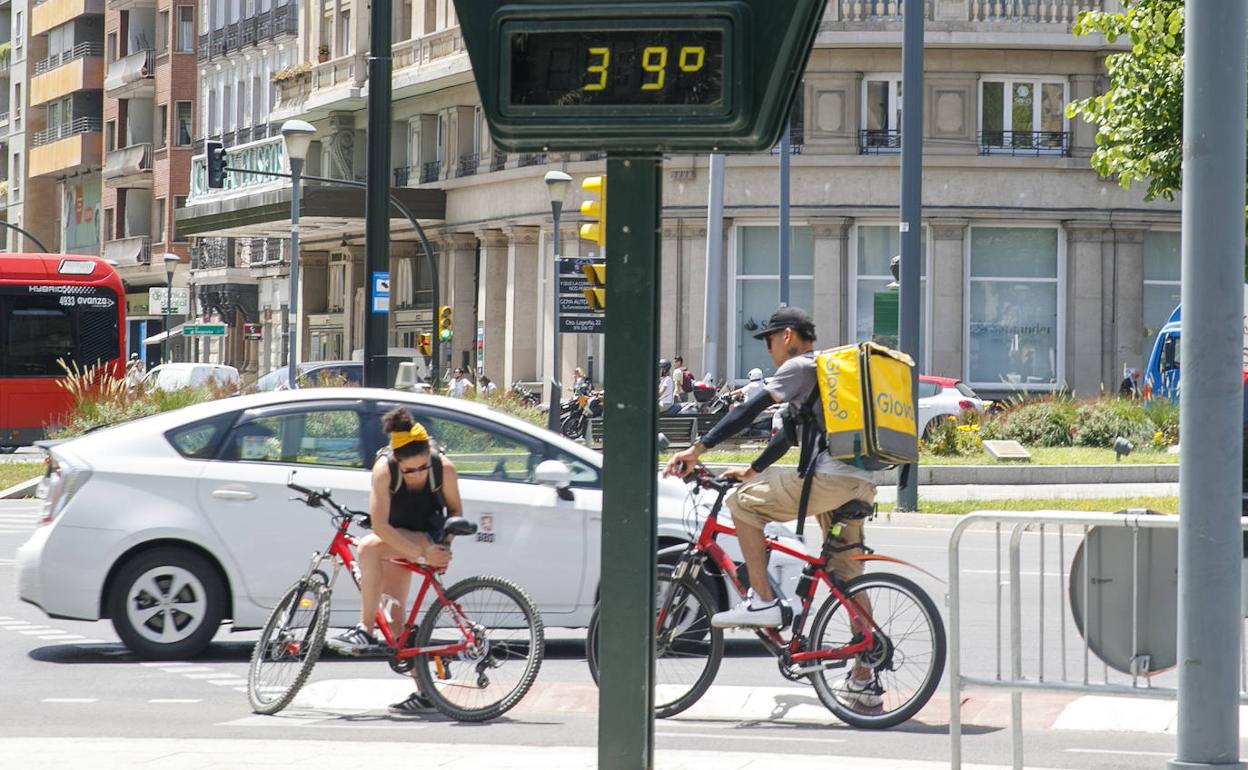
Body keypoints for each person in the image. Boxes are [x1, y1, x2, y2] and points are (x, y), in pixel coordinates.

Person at [664, 306, 882, 708]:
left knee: (742, 506)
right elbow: (788, 437)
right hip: (859, 481)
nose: (768, 351)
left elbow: (747, 408)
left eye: (768, 341)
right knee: (847, 575)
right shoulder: (820, 374)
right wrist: (752, 468)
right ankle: (865, 676)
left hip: (830, 480)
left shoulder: (798, 366)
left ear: (785, 336)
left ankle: (762, 599)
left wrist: (697, 449)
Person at [328, 407, 464, 714]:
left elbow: (455, 512)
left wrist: (441, 547)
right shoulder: (384, 470)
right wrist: (419, 554)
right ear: (396, 460)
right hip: (396, 539)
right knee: (395, 623)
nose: (416, 474)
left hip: (424, 535)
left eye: (422, 467)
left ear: (430, 455)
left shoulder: (444, 468)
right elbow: (381, 525)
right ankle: (426, 691)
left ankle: (364, 629)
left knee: (366, 549)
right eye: (409, 470)